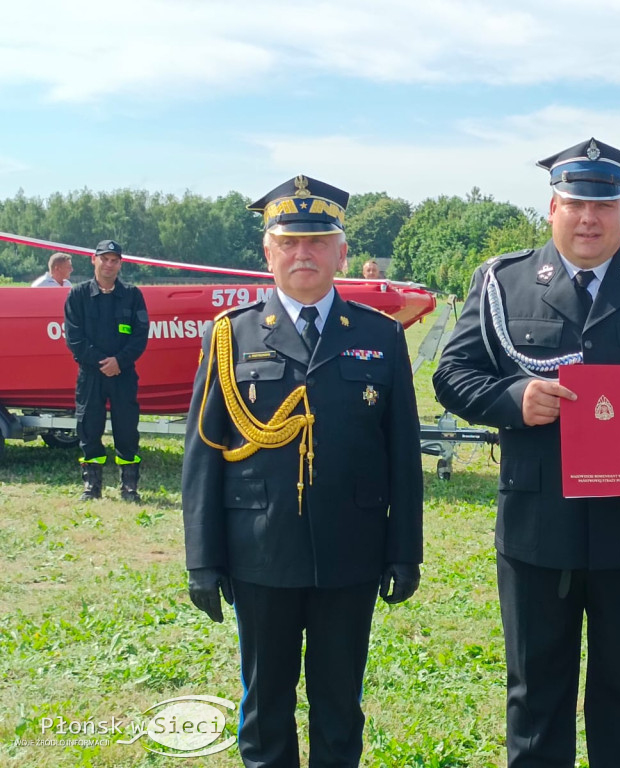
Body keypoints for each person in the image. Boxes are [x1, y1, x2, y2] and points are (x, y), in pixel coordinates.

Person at [433, 138, 620, 768]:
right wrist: (514, 397)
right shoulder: (503, 282)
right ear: (552, 208)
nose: (588, 219)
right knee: (536, 696)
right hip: (539, 530)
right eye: (575, 204)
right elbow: (451, 373)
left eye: (603, 205)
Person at [182, 174, 423, 768]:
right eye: (288, 242)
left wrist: (404, 550)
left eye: (318, 242)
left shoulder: (380, 336)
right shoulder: (230, 338)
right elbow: (202, 458)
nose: (302, 254)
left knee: (340, 703)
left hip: (352, 552)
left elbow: (402, 456)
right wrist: (203, 559)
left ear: (341, 253)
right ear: (267, 253)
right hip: (261, 553)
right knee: (265, 703)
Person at [63, 240, 149, 502]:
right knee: (89, 428)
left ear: (120, 263)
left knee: (126, 429)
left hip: (123, 375)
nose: (109, 264)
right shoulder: (77, 296)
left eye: (114, 260)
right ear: (94, 260)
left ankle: (129, 487)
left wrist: (119, 362)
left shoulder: (133, 295)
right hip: (90, 375)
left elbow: (140, 335)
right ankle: (92, 486)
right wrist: (102, 362)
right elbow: (74, 339)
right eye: (105, 259)